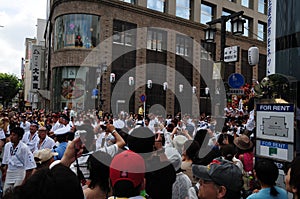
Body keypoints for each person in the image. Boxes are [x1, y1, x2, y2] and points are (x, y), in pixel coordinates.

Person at [1, 127, 36, 194]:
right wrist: (5, 172)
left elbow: (30, 167)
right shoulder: (7, 146)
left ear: (20, 137)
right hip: (10, 172)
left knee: (16, 193)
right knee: (5, 192)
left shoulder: (24, 148)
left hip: (19, 172)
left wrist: (25, 180)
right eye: (11, 134)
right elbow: (6, 161)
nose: (11, 137)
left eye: (14, 135)